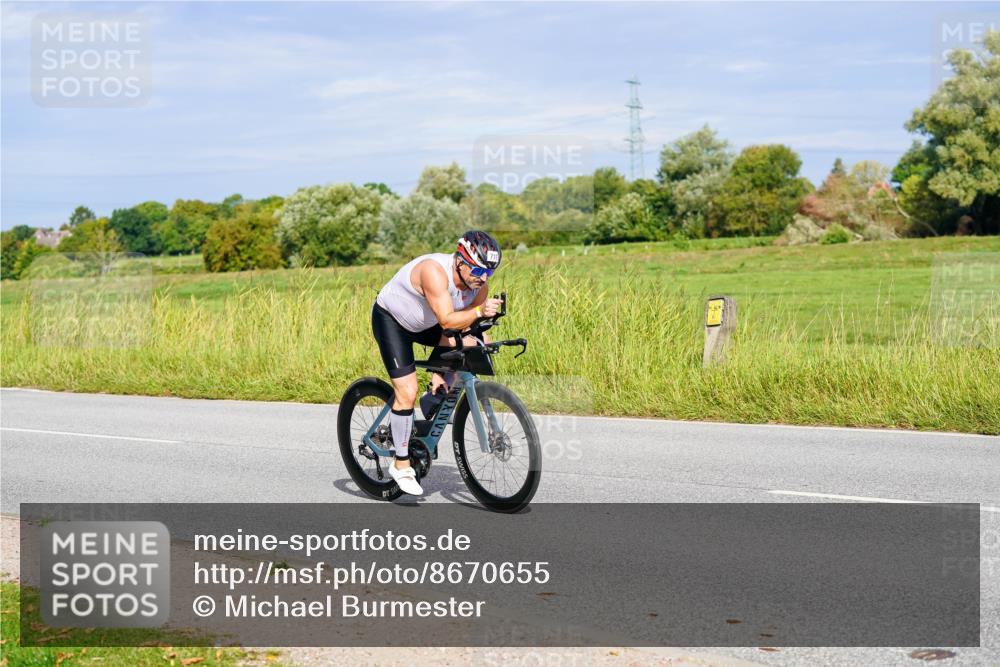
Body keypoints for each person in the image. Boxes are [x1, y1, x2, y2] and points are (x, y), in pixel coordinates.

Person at [371, 231, 503, 495]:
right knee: (405, 392)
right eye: (477, 270)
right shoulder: (434, 271)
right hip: (393, 322)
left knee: (469, 345)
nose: (482, 278)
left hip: (429, 322)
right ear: (460, 261)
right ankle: (401, 464)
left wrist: (481, 345)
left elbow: (468, 327)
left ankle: (435, 393)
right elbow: (448, 320)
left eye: (488, 273)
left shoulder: (480, 287)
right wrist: (478, 311)